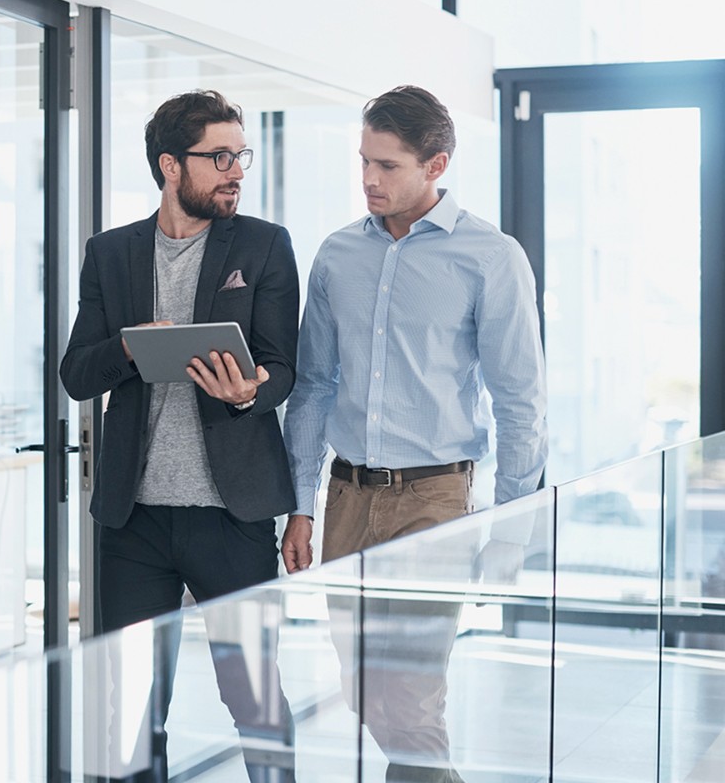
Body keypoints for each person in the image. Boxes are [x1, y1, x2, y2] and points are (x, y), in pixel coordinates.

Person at [281, 85, 548, 783]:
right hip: (347, 499)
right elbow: (313, 386)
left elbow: (520, 400)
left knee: (413, 694)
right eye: (363, 161)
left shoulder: (490, 257)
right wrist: (301, 504)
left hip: (434, 504)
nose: (369, 179)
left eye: (388, 165)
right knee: (364, 689)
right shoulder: (338, 255)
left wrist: (512, 532)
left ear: (436, 165)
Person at [61, 89, 299, 782]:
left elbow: (284, 365)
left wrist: (251, 391)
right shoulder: (111, 254)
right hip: (133, 522)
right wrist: (131, 350)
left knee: (254, 700)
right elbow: (77, 374)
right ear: (171, 165)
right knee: (131, 710)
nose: (236, 170)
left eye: (240, 155)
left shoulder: (263, 245)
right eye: (219, 156)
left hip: (233, 515)